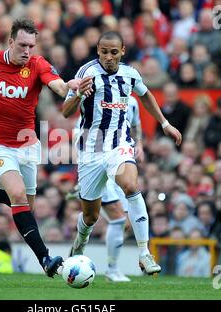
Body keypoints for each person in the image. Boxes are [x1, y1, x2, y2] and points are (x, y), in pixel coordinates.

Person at [0, 19, 87, 278]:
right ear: (10, 41)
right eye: (22, 45)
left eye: (31, 45)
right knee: (17, 196)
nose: (27, 50)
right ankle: (46, 260)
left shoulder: (37, 64)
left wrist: (70, 87)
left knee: (24, 204)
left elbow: (57, 85)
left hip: (27, 144)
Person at [61, 31, 182, 275]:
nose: (108, 57)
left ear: (122, 51)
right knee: (91, 216)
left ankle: (145, 253)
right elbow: (65, 111)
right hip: (91, 152)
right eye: (104, 52)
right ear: (98, 51)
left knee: (130, 186)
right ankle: (80, 241)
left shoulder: (130, 74)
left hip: (119, 145)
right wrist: (80, 95)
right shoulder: (85, 73)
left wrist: (165, 123)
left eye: (113, 52)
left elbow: (146, 95)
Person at [66, 95, 144, 282]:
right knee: (117, 217)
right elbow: (79, 132)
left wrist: (139, 144)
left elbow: (136, 124)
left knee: (124, 222)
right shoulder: (95, 99)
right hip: (97, 161)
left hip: (120, 160)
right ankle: (112, 269)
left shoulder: (131, 102)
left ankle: (109, 266)